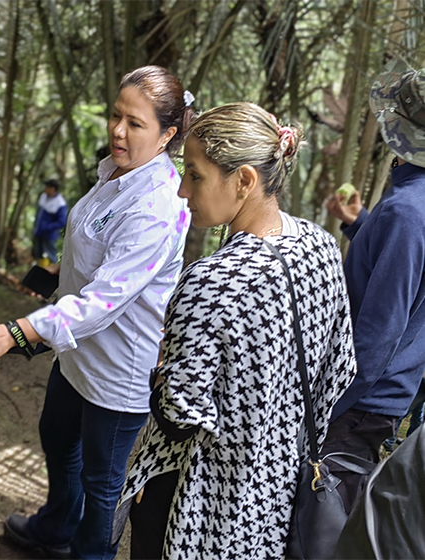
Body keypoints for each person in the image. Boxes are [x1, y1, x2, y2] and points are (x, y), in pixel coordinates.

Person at [0, 65, 193, 559]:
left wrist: (18, 333)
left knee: (102, 483)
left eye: (136, 123)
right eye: (116, 116)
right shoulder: (115, 173)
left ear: (168, 134)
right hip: (76, 353)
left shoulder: (160, 205)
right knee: (57, 439)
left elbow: (104, 301)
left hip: (117, 371)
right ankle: (56, 526)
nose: (119, 131)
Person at [119, 102, 357, 560]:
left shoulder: (212, 279)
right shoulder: (322, 248)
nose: (183, 190)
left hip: (200, 507)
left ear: (245, 179)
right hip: (277, 500)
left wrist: (162, 374)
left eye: (194, 174)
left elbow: (179, 412)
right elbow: (340, 368)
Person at [322, 60, 425, 511]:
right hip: (381, 396)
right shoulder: (408, 204)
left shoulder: (406, 211)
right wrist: (361, 225)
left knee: (318, 525)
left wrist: (329, 404)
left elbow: (381, 330)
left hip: (363, 400)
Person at [32, 179, 68, 266]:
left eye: (48, 187)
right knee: (37, 253)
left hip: (50, 235)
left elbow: (62, 221)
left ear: (53, 189)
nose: (45, 189)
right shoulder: (44, 197)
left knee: (51, 255)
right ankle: (40, 272)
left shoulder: (60, 203)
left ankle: (52, 275)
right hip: (39, 232)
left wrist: (48, 227)